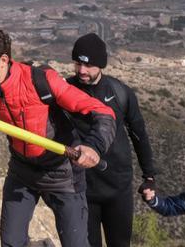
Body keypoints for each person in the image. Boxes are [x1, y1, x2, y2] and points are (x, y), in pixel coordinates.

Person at [0, 24, 116, 247]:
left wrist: (94, 146)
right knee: (11, 242)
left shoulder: (41, 80)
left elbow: (102, 112)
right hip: (22, 173)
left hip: (62, 175)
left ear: (3, 60)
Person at [66, 33, 157, 247]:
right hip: (81, 188)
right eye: (77, 64)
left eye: (88, 65)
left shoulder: (120, 93)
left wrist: (150, 175)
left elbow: (139, 135)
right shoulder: (65, 90)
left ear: (101, 65)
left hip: (118, 188)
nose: (81, 71)